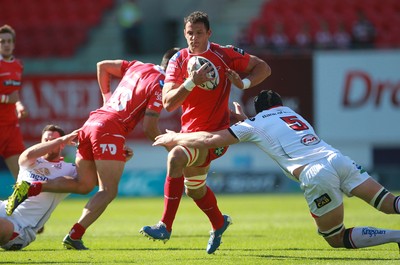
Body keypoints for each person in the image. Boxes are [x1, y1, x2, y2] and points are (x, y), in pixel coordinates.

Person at [153, 90, 400, 252]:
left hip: (316, 174)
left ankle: (396, 236)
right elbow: (270, 128)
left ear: (259, 111)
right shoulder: (293, 114)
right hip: (338, 159)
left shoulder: (255, 124)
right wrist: (245, 120)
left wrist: (177, 136)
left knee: (335, 237)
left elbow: (209, 139)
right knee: (388, 203)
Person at [6, 47, 180, 250]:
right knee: (108, 190)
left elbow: (102, 66)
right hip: (110, 128)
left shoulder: (138, 66)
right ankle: (74, 235)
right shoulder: (160, 84)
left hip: (92, 122)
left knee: (85, 184)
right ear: (175, 69)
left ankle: (33, 187)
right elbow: (149, 128)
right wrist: (173, 149)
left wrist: (107, 98)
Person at [140, 11, 271, 254]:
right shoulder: (178, 60)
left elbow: (263, 68)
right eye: (190, 33)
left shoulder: (224, 54)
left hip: (216, 136)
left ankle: (165, 226)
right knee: (194, 189)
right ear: (184, 34)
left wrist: (243, 84)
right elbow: (168, 103)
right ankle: (219, 223)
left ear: (209, 33)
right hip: (190, 133)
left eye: (199, 33)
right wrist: (191, 82)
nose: (194, 38)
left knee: (176, 157)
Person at [0, 125, 79, 250]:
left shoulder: (69, 169)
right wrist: (60, 140)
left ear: (63, 145)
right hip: (4, 209)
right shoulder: (29, 161)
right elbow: (30, 153)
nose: (49, 143)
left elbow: (90, 182)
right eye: (46, 140)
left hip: (21, 228)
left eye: (53, 140)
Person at [0, 24, 29, 180]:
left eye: (9, 41)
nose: (6, 44)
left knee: (21, 173)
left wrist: (19, 105)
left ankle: (23, 205)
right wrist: (6, 99)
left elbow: (14, 93)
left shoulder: (18, 65)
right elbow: (7, 96)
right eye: (2, 41)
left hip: (11, 127)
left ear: (13, 44)